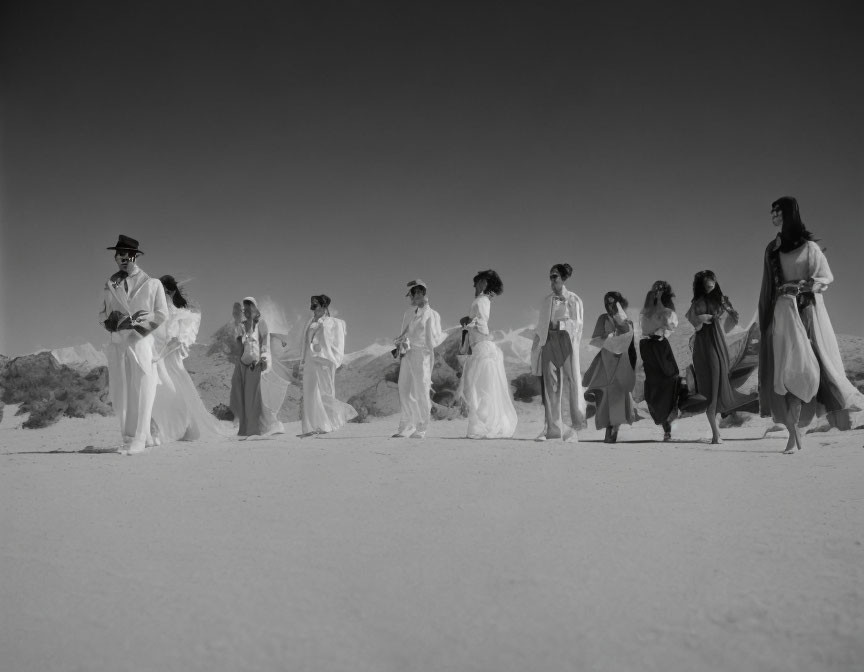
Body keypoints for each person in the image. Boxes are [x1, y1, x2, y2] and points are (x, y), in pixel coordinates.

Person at [758, 196, 860, 453]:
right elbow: (769, 285)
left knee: (811, 370)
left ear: (789, 213)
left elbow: (826, 277)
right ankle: (794, 432)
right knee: (787, 371)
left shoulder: (809, 248)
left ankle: (799, 428)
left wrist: (804, 285)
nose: (773, 217)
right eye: (772, 213)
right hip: (783, 314)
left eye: (777, 212)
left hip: (807, 313)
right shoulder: (773, 249)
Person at [99, 235, 169, 455]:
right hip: (119, 344)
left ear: (134, 256)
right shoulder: (110, 284)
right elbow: (102, 313)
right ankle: (132, 436)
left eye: (123, 253)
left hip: (141, 343)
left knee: (143, 387)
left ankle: (140, 436)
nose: (119, 258)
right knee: (122, 391)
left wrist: (138, 326)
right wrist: (110, 323)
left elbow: (161, 314)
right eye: (117, 254)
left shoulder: (153, 283)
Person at [150, 276, 232, 443]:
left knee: (176, 390)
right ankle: (162, 428)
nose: (161, 295)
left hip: (169, 356)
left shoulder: (179, 313)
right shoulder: (161, 309)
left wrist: (162, 353)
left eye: (164, 291)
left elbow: (177, 338)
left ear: (170, 291)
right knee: (162, 390)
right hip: (160, 354)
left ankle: (182, 426)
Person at [685, 270, 750, 444]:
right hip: (704, 344)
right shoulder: (697, 302)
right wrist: (702, 319)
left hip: (717, 342)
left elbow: (730, 319)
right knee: (711, 383)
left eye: (712, 281)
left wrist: (729, 313)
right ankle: (715, 433)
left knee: (719, 378)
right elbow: (693, 321)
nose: (710, 284)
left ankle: (716, 430)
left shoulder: (721, 300)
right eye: (706, 283)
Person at [458, 270, 518, 439]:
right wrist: (468, 321)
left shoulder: (483, 300)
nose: (480, 284)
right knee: (475, 387)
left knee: (480, 387)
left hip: (483, 347)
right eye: (479, 281)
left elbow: (483, 321)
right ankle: (480, 424)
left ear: (487, 284)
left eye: (484, 281)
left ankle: (484, 424)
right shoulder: (480, 300)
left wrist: (470, 323)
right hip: (477, 347)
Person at [530, 263, 586, 442]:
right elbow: (541, 324)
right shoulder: (547, 300)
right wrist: (538, 344)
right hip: (549, 342)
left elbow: (578, 325)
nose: (551, 280)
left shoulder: (574, 299)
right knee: (550, 385)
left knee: (568, 384)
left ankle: (570, 430)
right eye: (550, 277)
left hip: (566, 342)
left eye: (554, 276)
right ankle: (552, 429)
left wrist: (564, 326)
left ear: (563, 278)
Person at [392, 279, 446, 439]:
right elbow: (403, 333)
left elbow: (434, 338)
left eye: (413, 295)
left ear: (421, 293)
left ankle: (422, 427)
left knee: (421, 390)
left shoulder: (433, 314)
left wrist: (429, 357)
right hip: (407, 354)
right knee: (404, 389)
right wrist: (400, 342)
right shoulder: (409, 314)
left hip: (422, 355)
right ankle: (407, 425)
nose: (410, 299)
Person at [298, 295, 357, 437]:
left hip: (323, 360)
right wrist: (302, 360)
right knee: (310, 392)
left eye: (316, 305)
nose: (313, 309)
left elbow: (334, 342)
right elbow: (304, 343)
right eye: (312, 306)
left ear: (324, 307)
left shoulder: (332, 323)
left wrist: (321, 331)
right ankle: (311, 427)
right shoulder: (309, 322)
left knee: (324, 392)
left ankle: (328, 423)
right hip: (310, 360)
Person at [583, 291, 637, 443]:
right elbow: (596, 337)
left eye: (613, 302)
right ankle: (607, 426)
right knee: (604, 394)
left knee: (618, 394)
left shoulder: (627, 321)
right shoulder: (602, 318)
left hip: (621, 360)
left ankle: (613, 429)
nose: (609, 305)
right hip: (606, 359)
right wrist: (606, 338)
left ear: (619, 303)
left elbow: (630, 341)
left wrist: (619, 318)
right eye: (607, 302)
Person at [229, 297, 285, 438]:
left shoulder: (261, 324)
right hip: (244, 364)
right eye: (245, 309)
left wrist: (263, 358)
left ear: (255, 309)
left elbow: (264, 342)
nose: (247, 312)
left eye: (250, 308)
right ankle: (249, 430)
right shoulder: (242, 326)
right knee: (247, 398)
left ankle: (263, 428)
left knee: (254, 398)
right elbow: (239, 346)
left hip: (257, 363)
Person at [638, 281, 681, 441]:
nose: (657, 292)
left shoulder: (668, 311)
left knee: (669, 380)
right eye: (656, 289)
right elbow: (645, 325)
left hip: (661, 347)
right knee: (653, 385)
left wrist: (661, 300)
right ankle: (665, 424)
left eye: (661, 290)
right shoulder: (648, 310)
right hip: (648, 347)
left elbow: (670, 323)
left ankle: (669, 425)